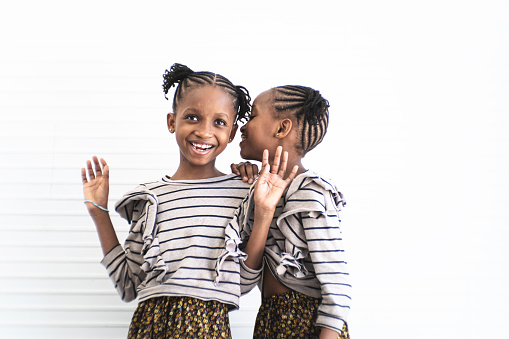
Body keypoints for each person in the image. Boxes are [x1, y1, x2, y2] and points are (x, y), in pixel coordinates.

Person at [81, 63, 254, 338]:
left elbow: (245, 280)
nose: (205, 132)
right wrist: (99, 212)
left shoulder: (244, 193)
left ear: (232, 133)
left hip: (209, 328)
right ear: (172, 122)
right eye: (193, 117)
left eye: (219, 122)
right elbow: (128, 286)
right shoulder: (149, 199)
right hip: (148, 327)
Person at [227, 85, 351, 338]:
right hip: (271, 321)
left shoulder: (312, 193)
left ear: (282, 128)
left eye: (252, 116)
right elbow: (242, 277)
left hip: (309, 322)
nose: (242, 126)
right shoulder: (256, 191)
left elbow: (337, 285)